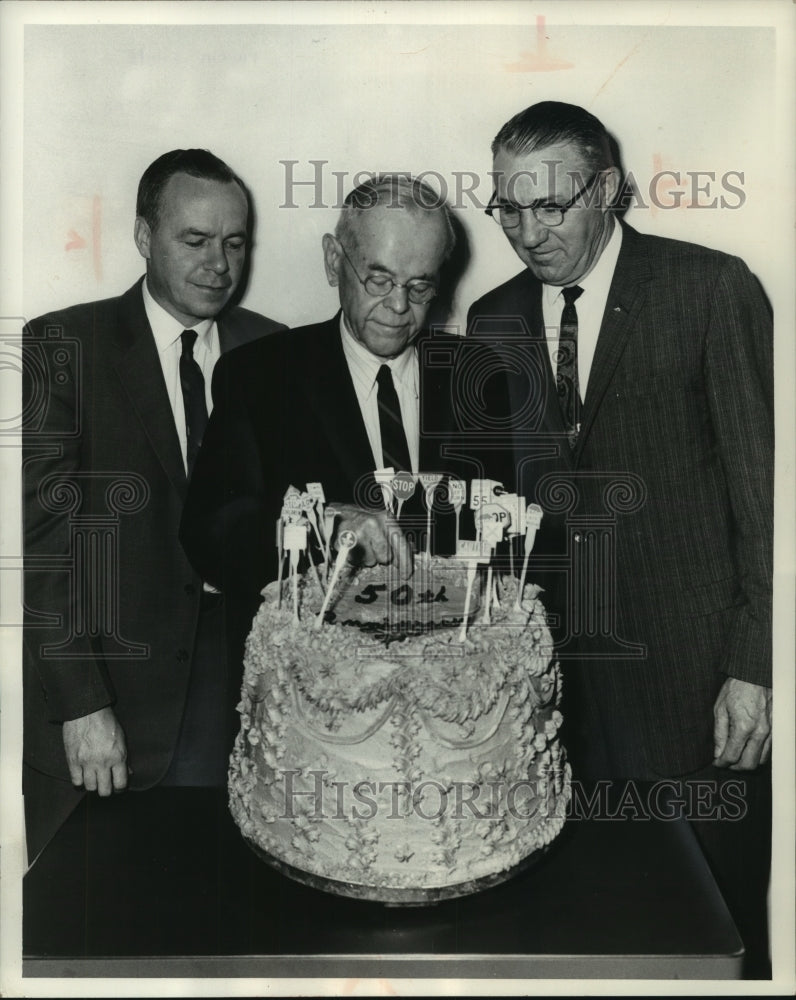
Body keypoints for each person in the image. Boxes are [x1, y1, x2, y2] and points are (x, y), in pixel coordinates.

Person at [467, 102, 773, 976]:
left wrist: (755, 667)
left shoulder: (710, 289)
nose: (528, 233)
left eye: (551, 206)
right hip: (554, 697)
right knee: (588, 937)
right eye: (509, 209)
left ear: (607, 189)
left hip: (695, 685)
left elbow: (767, 502)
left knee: (713, 935)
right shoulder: (492, 322)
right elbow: (497, 512)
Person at [23, 148, 285, 863]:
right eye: (194, 241)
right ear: (144, 238)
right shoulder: (65, 346)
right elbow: (45, 549)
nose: (218, 264)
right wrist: (80, 704)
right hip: (103, 704)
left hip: (231, 704)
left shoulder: (273, 352)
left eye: (235, 244)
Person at [180, 174, 510, 668]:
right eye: (378, 280)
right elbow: (212, 533)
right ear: (334, 261)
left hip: (451, 678)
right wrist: (324, 525)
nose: (399, 306)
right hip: (317, 685)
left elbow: (501, 536)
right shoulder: (260, 374)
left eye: (420, 286)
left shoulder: (476, 376)